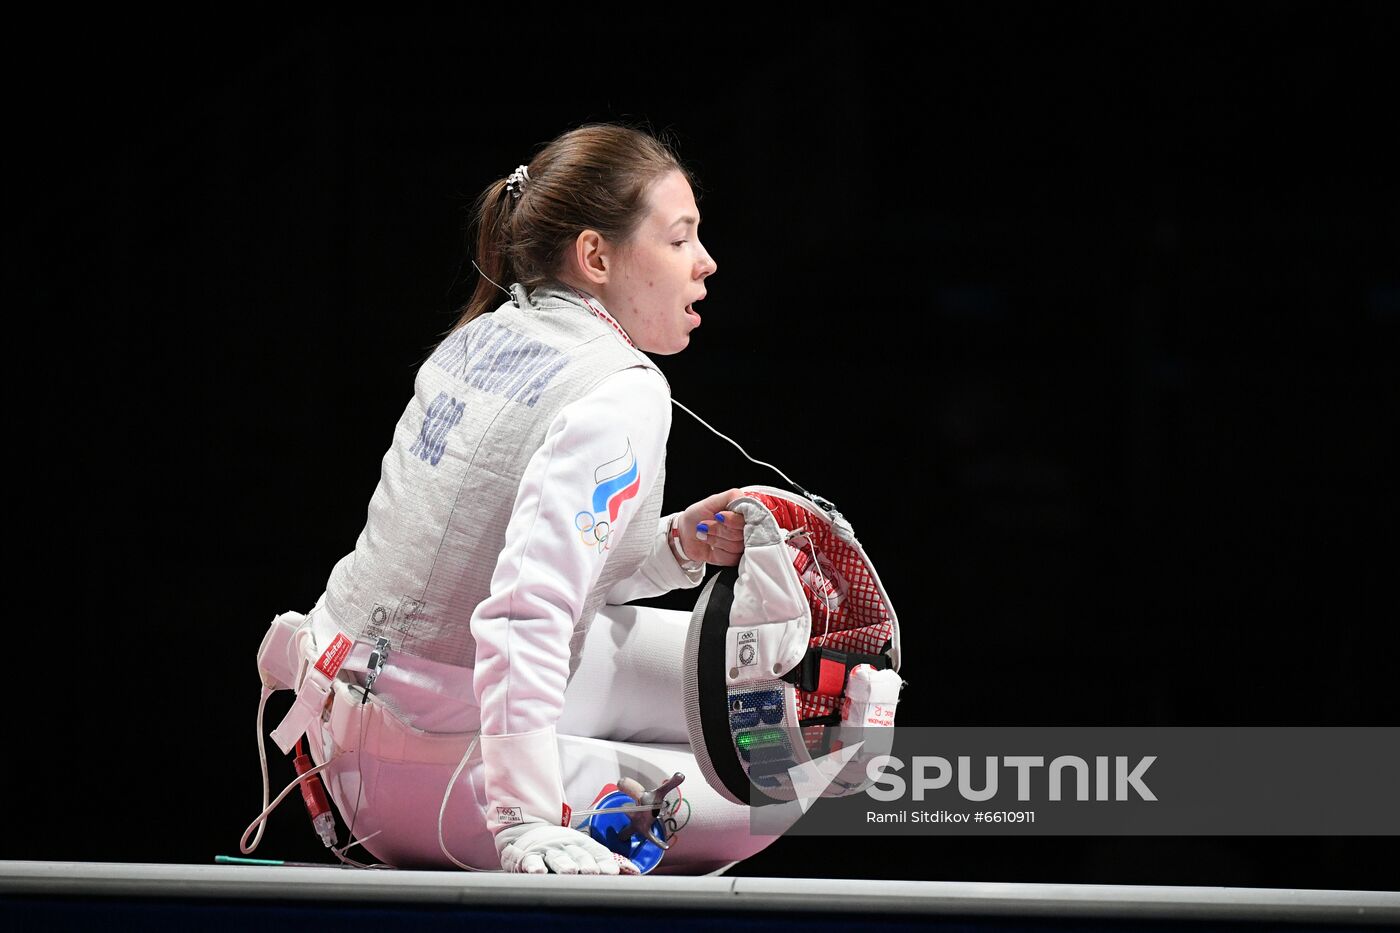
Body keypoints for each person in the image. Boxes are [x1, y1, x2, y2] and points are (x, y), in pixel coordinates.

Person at [272, 123, 790, 876]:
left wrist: (678, 544)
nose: (706, 263)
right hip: (430, 779)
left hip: (350, 726)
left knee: (759, 700)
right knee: (777, 784)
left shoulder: (485, 335)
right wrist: (523, 819)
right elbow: (524, 612)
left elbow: (497, 564)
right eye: (680, 240)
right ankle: (540, 806)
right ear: (595, 256)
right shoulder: (620, 390)